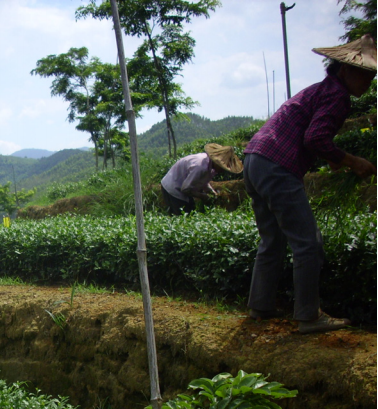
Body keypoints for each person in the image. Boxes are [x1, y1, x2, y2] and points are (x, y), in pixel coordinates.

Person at [243, 34, 376, 334]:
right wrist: (352, 161)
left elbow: (316, 136)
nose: (369, 81)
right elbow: (315, 138)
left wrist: (335, 159)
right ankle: (308, 315)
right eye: (365, 74)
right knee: (308, 243)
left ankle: (259, 306)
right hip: (277, 164)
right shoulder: (337, 96)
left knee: (272, 240)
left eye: (372, 75)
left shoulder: (320, 90)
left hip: (255, 160)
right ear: (345, 70)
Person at [160, 143, 243, 215]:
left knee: (189, 209)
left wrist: (212, 192)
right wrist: (203, 197)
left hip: (181, 184)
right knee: (183, 214)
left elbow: (203, 181)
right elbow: (186, 189)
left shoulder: (209, 166)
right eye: (222, 167)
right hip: (172, 187)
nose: (222, 170)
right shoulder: (200, 167)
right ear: (217, 162)